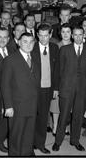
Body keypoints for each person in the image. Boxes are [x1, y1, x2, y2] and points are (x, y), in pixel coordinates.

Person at [52, 26, 86, 152]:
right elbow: (58, 71)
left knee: (78, 116)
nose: (78, 37)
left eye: (80, 34)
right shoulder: (64, 49)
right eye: (75, 35)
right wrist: (57, 88)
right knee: (63, 116)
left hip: (82, 90)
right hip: (66, 88)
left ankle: (75, 140)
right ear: (72, 36)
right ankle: (58, 141)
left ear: (84, 35)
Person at [2, 32, 40, 156]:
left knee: (29, 132)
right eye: (25, 41)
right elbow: (5, 84)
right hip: (17, 105)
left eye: (31, 42)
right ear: (18, 42)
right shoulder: (10, 60)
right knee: (16, 133)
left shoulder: (35, 57)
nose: (28, 44)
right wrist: (8, 106)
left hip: (32, 103)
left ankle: (27, 152)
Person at [31, 23, 60, 154]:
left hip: (48, 89)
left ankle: (40, 143)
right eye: (41, 36)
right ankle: (31, 142)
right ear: (37, 35)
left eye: (46, 36)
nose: (43, 39)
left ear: (51, 34)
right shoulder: (31, 47)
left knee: (43, 118)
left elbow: (57, 70)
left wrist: (56, 88)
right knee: (32, 117)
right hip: (34, 89)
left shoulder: (54, 48)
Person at [0, 26, 13, 153]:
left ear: (9, 38)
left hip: (11, 92)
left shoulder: (12, 50)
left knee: (6, 121)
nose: (2, 39)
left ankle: (0, 141)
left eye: (5, 37)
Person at [50, 23, 72, 135]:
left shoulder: (75, 46)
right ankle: (55, 125)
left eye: (68, 31)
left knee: (67, 105)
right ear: (60, 33)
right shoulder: (56, 46)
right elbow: (54, 68)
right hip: (58, 79)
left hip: (70, 82)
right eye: (63, 32)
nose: (65, 34)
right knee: (56, 105)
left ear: (71, 33)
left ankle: (64, 125)